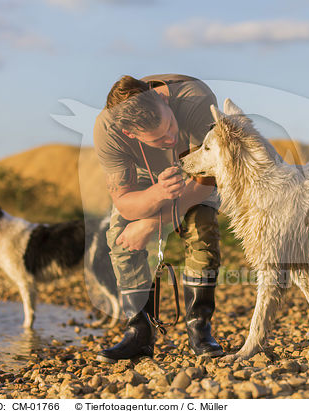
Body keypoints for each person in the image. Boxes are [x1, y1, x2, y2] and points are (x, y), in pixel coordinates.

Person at [93, 74, 223, 362]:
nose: (170, 139)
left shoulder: (196, 98)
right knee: (121, 237)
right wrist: (158, 194)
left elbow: (206, 181)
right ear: (130, 134)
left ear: (163, 100)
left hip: (198, 169)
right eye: (159, 138)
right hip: (146, 178)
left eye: (170, 126)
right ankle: (139, 332)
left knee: (202, 229)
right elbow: (125, 203)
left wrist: (153, 223)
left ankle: (199, 328)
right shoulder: (108, 130)